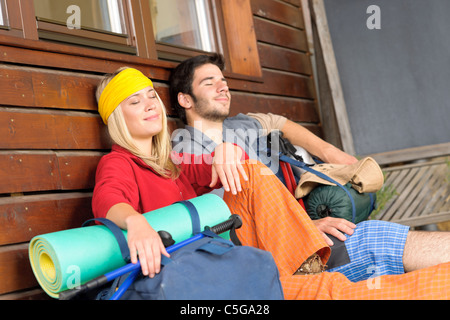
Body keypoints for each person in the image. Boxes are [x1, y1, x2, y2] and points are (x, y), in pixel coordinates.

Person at [92, 66, 449, 299]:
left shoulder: (175, 161)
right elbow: (108, 199)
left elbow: (235, 175)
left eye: (151, 96)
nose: (149, 105)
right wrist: (135, 222)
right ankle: (307, 261)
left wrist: (227, 150)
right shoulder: (119, 163)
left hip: (241, 258)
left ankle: (305, 257)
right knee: (338, 289)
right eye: (134, 101)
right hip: (213, 277)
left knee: (247, 168)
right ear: (115, 119)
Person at [169, 53, 450, 282]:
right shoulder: (188, 150)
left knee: (406, 266)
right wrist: (303, 226)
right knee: (377, 241)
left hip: (307, 228)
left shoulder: (243, 123)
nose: (223, 86)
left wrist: (328, 151)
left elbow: (282, 124)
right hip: (283, 253)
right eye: (209, 83)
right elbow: (232, 218)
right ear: (185, 100)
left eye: (223, 80)